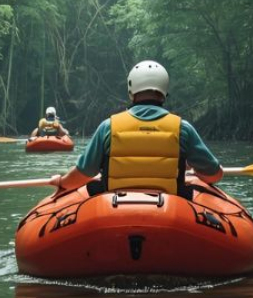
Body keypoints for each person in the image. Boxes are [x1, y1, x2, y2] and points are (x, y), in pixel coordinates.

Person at [50, 60, 222, 196]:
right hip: (170, 212)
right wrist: (194, 171)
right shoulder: (182, 129)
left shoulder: (108, 127)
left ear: (131, 92)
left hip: (113, 210)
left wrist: (61, 182)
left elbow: (83, 174)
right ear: (164, 93)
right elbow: (214, 175)